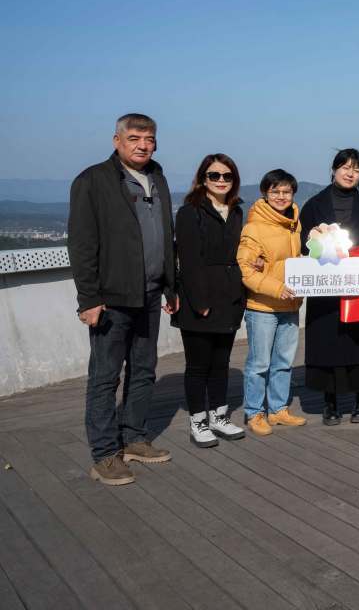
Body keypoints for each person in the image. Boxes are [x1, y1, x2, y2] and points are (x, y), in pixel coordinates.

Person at [68, 113, 177, 485]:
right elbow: (82, 244)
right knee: (105, 377)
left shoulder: (157, 177)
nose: (143, 145)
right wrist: (89, 298)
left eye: (149, 139)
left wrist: (170, 286)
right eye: (134, 138)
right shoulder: (93, 180)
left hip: (150, 293)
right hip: (112, 298)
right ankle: (104, 455)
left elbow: (164, 235)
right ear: (117, 140)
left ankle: (134, 438)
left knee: (144, 370)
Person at [300, 148, 359, 425]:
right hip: (325, 285)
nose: (350, 173)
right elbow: (302, 244)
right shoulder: (314, 205)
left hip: (358, 286)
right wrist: (311, 237)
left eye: (356, 170)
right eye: (345, 167)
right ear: (334, 169)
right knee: (327, 341)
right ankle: (330, 402)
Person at [175, 153, 248, 448]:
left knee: (221, 363)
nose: (221, 180)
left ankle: (219, 416)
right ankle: (198, 421)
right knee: (198, 365)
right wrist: (199, 301)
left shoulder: (237, 211)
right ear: (203, 178)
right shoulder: (189, 212)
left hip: (230, 297)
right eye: (214, 175)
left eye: (227, 176)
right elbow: (189, 260)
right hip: (201, 299)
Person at [237, 168, 307, 437]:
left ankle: (278, 409)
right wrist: (277, 289)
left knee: (283, 362)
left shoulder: (294, 224)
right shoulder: (254, 227)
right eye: (275, 191)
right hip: (263, 307)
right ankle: (255, 412)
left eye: (286, 191)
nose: (281, 196)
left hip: (290, 305)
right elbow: (245, 269)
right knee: (259, 364)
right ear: (265, 194)